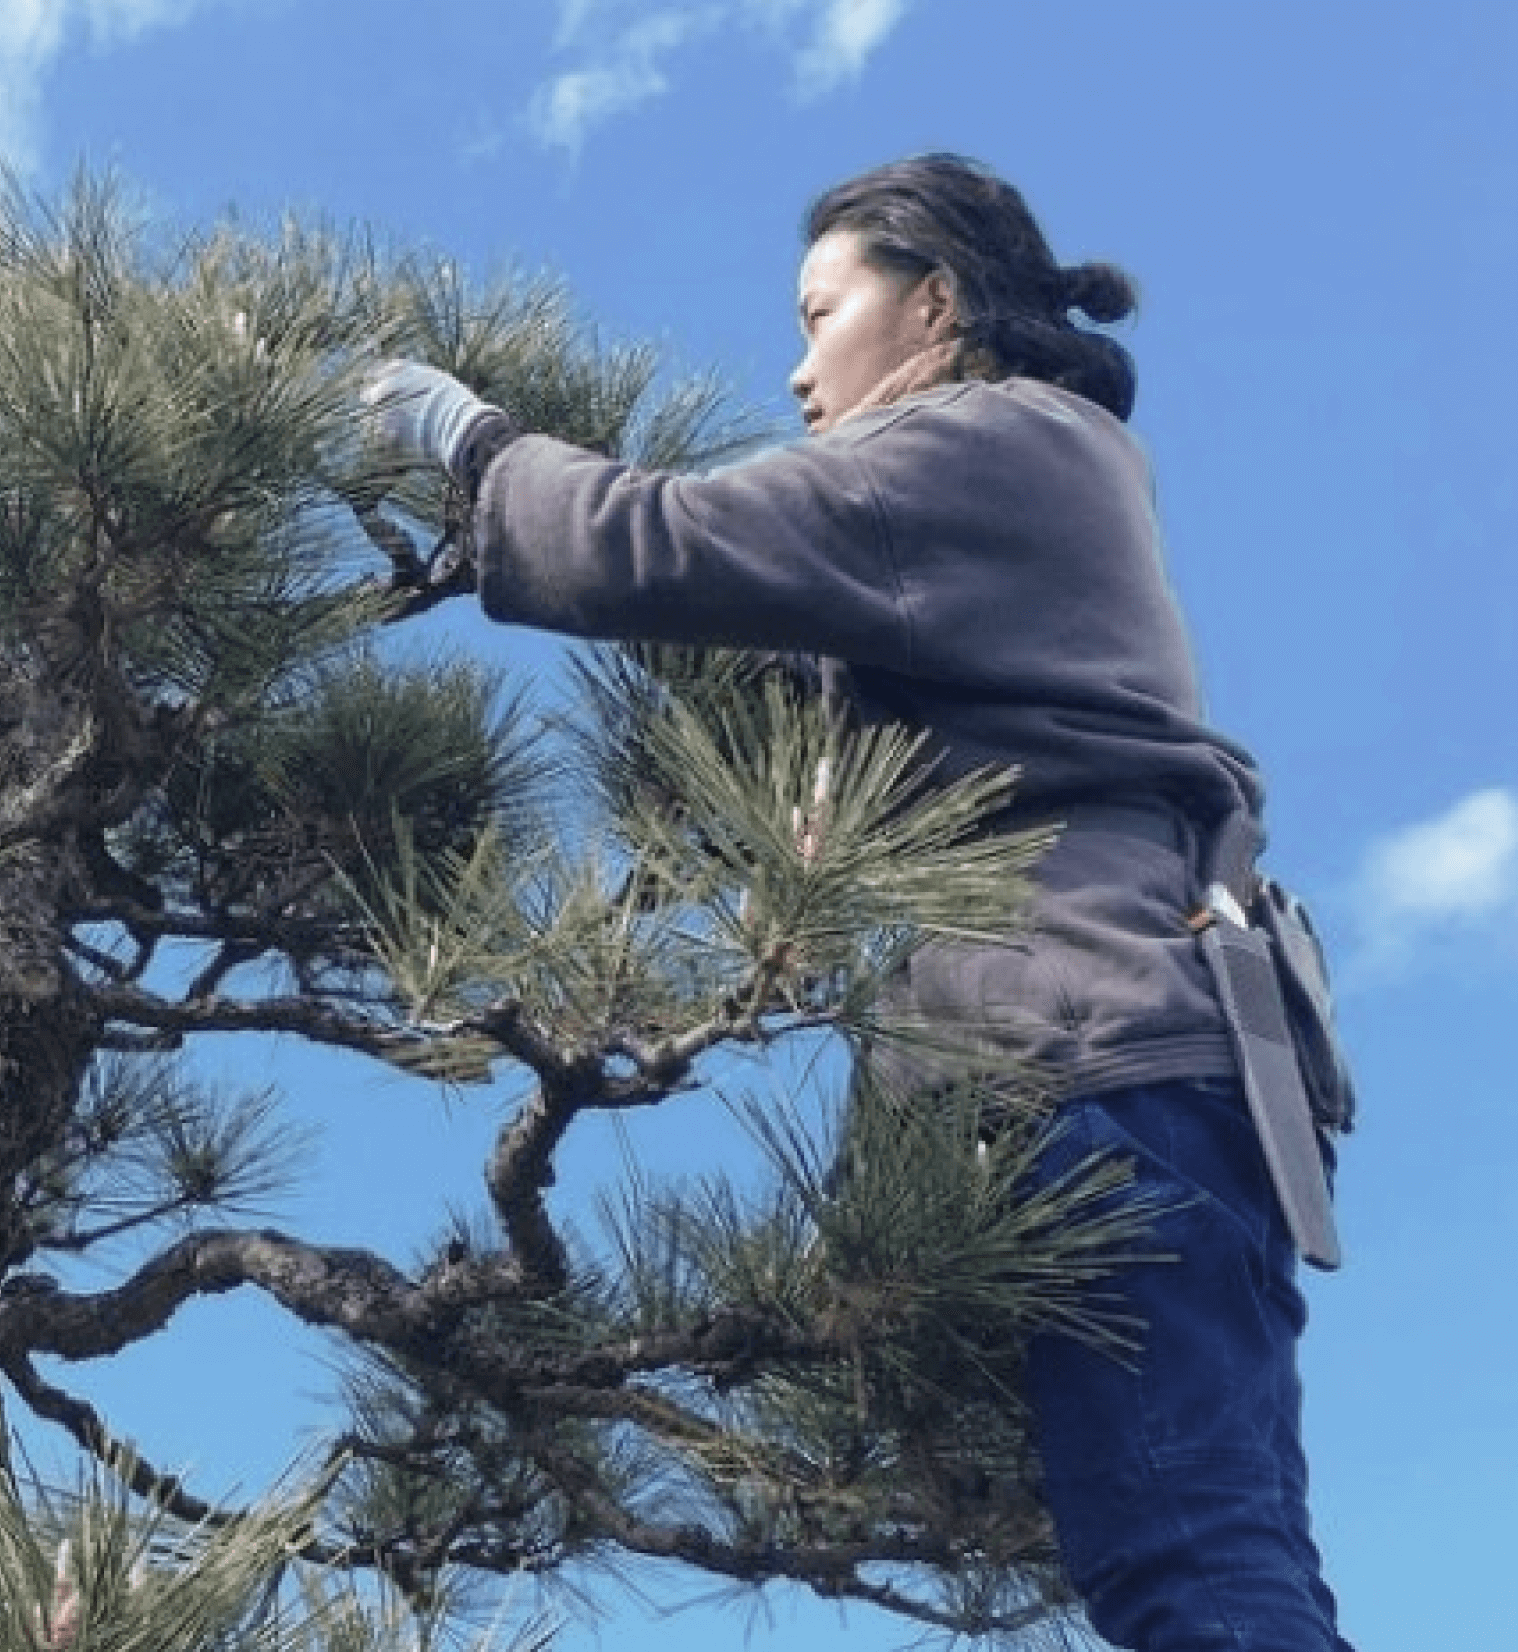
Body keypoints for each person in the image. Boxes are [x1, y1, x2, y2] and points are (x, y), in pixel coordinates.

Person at [355, 154, 1354, 1651]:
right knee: (1211, 1543)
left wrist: (474, 439)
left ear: (936, 303)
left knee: (1189, 1555)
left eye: (822, 313)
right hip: (1140, 1054)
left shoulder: (985, 439)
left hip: (1089, 1059)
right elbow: (772, 653)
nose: (796, 366)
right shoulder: (1025, 475)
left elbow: (649, 542)